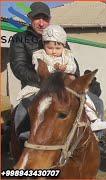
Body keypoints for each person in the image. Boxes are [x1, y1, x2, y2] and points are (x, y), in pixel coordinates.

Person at [9, 2, 79, 142]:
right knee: (21, 115)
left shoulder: (58, 36)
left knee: (96, 102)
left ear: (49, 19)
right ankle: (23, 150)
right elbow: (19, 67)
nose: (41, 23)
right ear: (30, 18)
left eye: (45, 19)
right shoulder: (19, 38)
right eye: (37, 18)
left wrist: (73, 78)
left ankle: (94, 139)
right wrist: (46, 81)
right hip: (36, 89)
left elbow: (73, 63)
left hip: (62, 89)